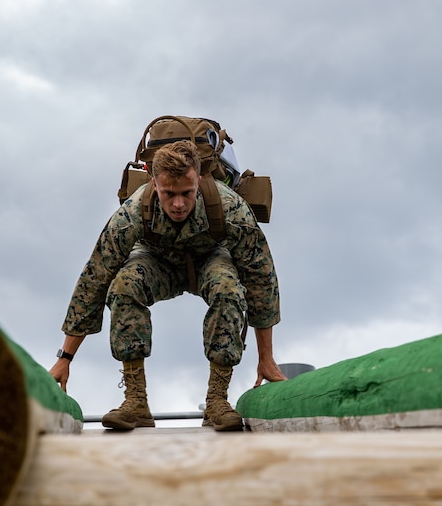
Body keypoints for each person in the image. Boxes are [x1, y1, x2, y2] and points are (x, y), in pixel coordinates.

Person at [48, 131, 285, 431]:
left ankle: (217, 401)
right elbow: (94, 278)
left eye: (186, 193)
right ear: (154, 184)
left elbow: (261, 278)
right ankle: (136, 402)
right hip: (157, 261)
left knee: (228, 288)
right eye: (168, 194)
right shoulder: (132, 214)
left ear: (198, 181)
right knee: (123, 285)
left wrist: (266, 358)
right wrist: (65, 357)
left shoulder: (231, 209)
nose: (177, 204)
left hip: (209, 260)